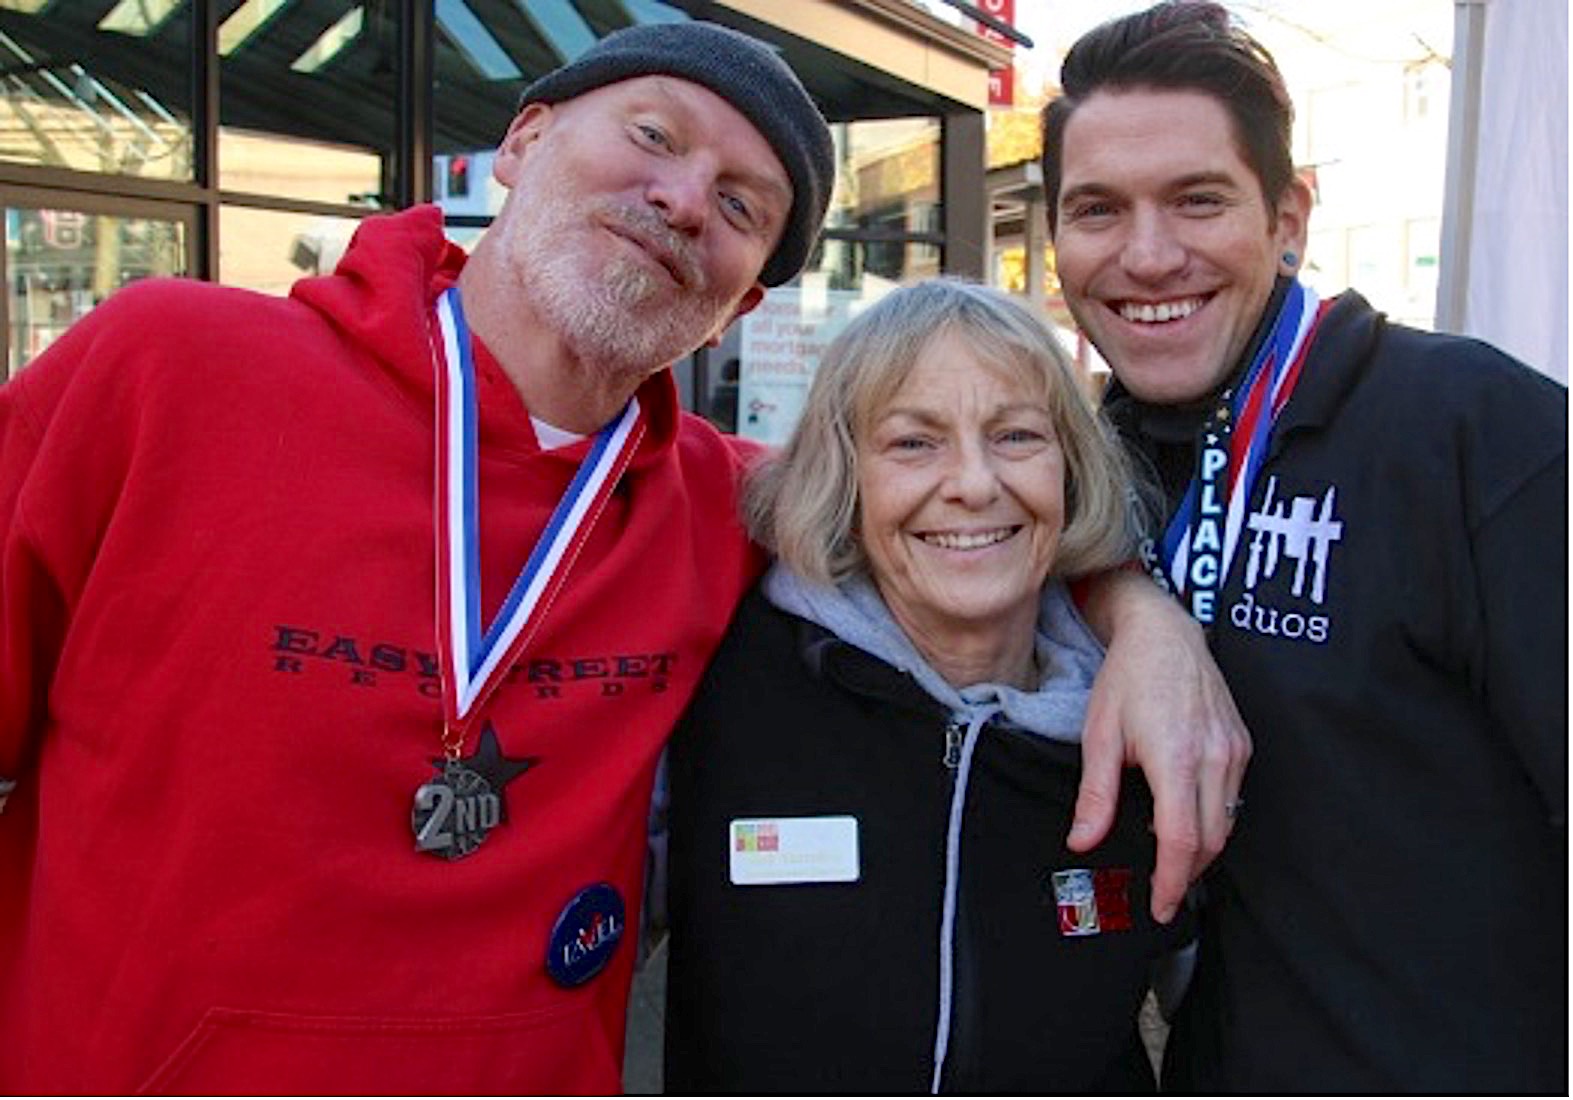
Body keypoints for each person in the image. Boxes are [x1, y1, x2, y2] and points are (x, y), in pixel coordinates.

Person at [0, 20, 1242, 1096]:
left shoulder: (714, 505)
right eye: (652, 137)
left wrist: (1145, 618)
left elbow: (963, 512)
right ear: (525, 142)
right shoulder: (167, 367)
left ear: (739, 299)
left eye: (742, 205)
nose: (687, 198)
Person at [1040, 2, 1567, 1092]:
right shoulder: (1074, 476)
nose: (1146, 255)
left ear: (1289, 216)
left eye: (1197, 200)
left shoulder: (1475, 431)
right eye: (1097, 209)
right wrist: (1130, 604)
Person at [663, 280, 1190, 1093]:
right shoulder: (722, 686)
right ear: (847, 475)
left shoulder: (1152, 725)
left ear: (1070, 469)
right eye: (913, 443)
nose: (974, 484)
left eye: (1016, 436)